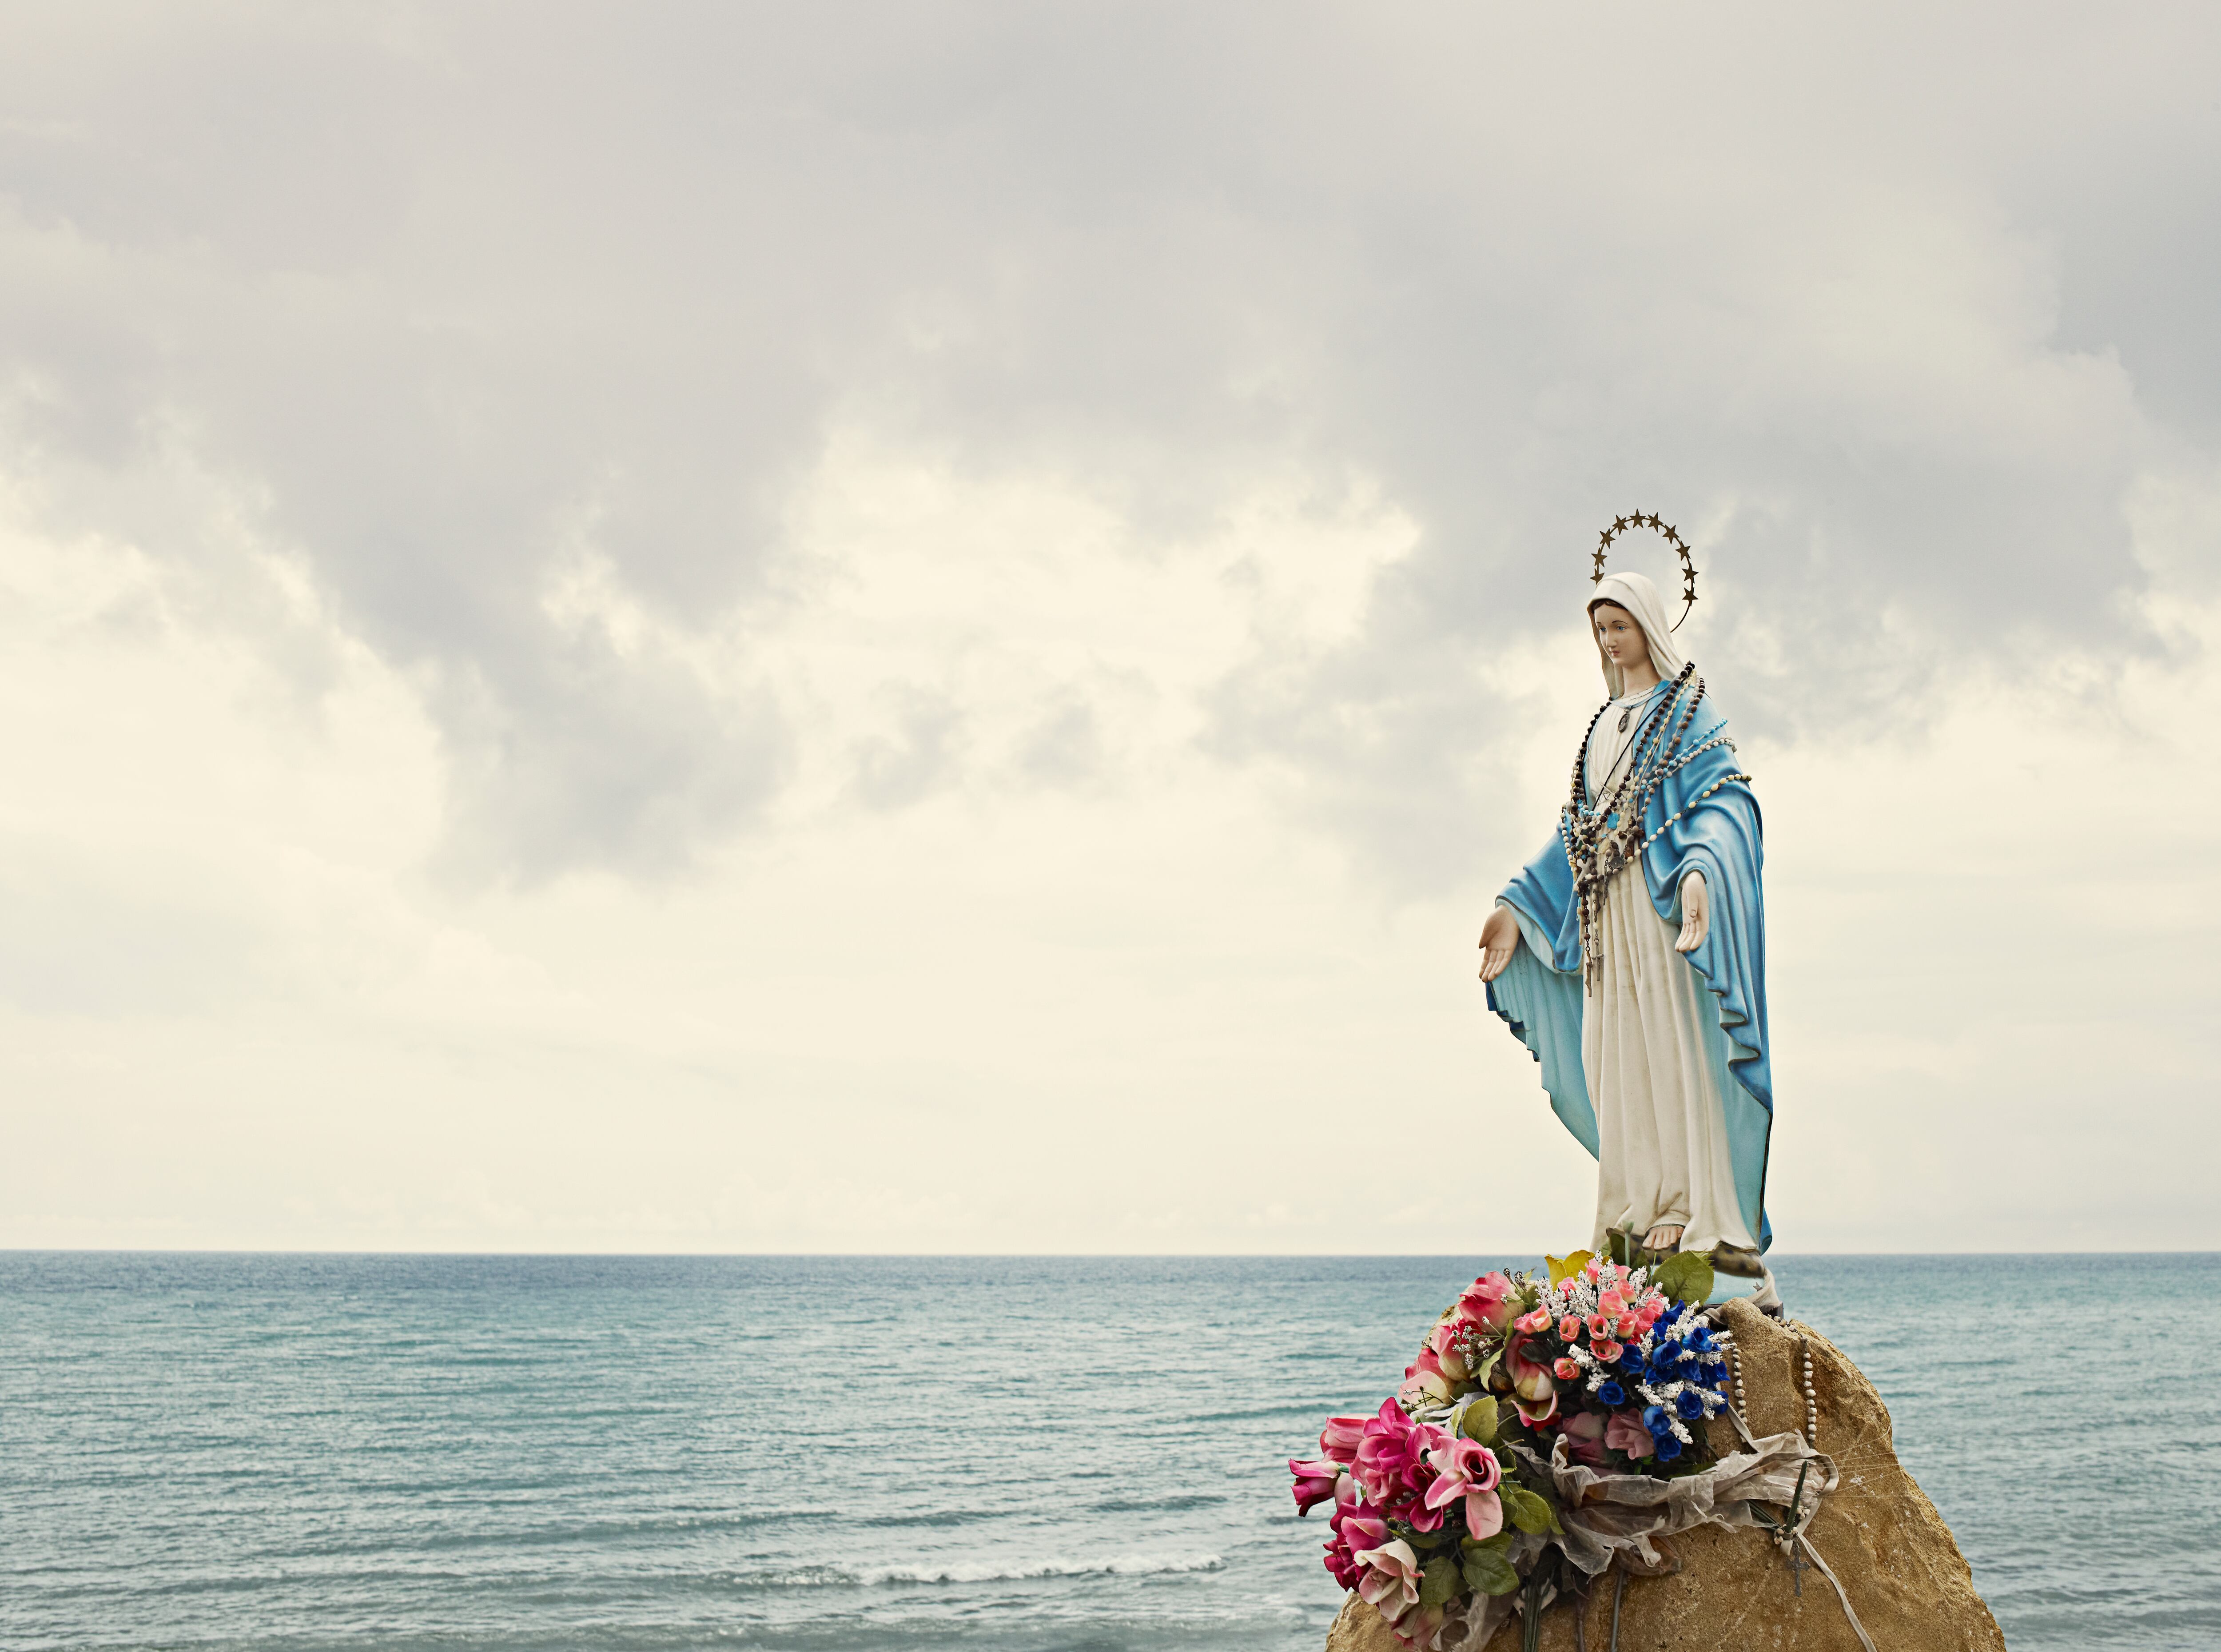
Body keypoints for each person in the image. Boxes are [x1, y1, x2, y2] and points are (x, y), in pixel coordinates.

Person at [1476, 569, 1776, 1301]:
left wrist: (1703, 873)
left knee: (1676, 1051)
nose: (1611, 641)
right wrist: (1515, 905)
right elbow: (1577, 832)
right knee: (1618, 1056)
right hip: (1603, 914)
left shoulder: (1687, 712)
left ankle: (1694, 1210)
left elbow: (1724, 802)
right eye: (1601, 629)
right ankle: (1637, 1211)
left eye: (1621, 625)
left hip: (1659, 907)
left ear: (1649, 628)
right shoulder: (1602, 726)